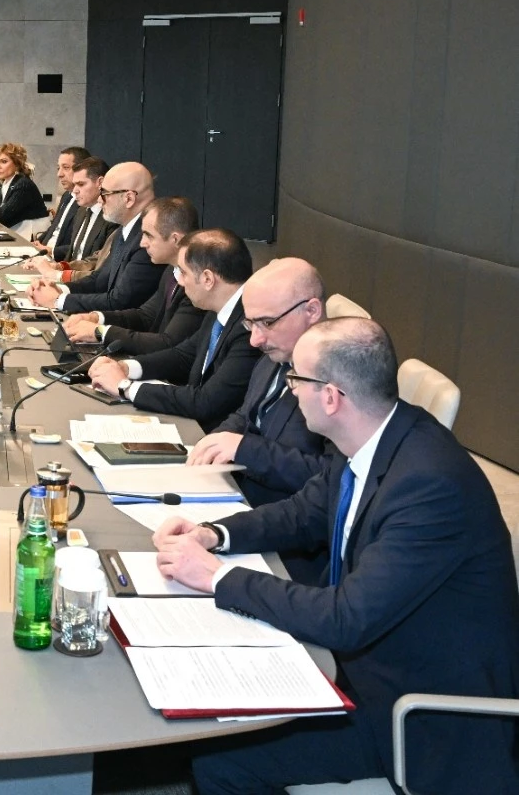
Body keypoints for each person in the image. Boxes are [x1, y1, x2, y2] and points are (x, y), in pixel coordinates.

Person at [155, 318, 519, 795]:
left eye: (295, 379)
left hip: (414, 712)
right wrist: (213, 534)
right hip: (365, 663)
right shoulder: (372, 436)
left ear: (330, 397)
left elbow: (346, 619)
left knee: (222, 759)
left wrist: (219, 578)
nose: (289, 388)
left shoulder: (430, 485)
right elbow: (303, 512)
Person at [189, 258, 331, 517]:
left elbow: (331, 478)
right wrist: (211, 445)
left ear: (311, 311)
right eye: (250, 324)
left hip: (282, 521)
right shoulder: (275, 355)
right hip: (232, 496)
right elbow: (246, 416)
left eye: (267, 323)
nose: (255, 340)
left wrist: (244, 449)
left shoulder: (340, 380)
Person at [88, 228, 260, 432]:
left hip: (211, 437)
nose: (179, 280)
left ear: (208, 279)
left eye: (183, 272)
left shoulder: (251, 327)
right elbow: (183, 356)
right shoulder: (220, 308)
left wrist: (125, 387)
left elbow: (206, 401)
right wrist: (126, 367)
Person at [62, 196, 205, 356]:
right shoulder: (171, 270)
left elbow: (168, 343)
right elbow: (145, 316)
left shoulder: (196, 284)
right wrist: (96, 317)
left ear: (175, 239)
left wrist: (100, 332)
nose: (142, 243)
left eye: (149, 236)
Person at [32, 160, 156, 313]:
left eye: (105, 194)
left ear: (129, 198)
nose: (99, 199)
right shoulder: (124, 230)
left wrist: (59, 300)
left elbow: (120, 301)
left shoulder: (147, 240)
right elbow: (99, 280)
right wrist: (59, 289)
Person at [33, 145, 90, 248]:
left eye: (66, 168)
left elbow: (78, 246)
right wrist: (35, 244)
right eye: (58, 168)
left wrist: (51, 251)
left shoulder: (86, 202)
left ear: (82, 169)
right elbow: (54, 228)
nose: (59, 174)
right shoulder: (66, 196)